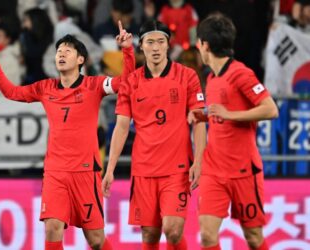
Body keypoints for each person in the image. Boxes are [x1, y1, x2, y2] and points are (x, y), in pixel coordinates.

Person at [0, 21, 135, 250]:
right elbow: (12, 92)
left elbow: (126, 83)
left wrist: (127, 50)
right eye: (58, 51)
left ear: (80, 60)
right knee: (52, 228)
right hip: (55, 171)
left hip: (85, 171)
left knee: (95, 240)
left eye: (67, 51)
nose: (61, 54)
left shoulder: (94, 85)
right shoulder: (46, 88)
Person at [102, 20, 206, 250]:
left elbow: (199, 122)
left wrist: (199, 161)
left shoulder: (187, 76)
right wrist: (109, 169)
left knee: (173, 230)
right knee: (149, 234)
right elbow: (121, 126)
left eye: (161, 41)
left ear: (169, 45)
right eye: (150, 42)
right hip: (144, 169)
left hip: (176, 169)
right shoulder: (131, 81)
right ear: (142, 46)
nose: (156, 47)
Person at [189, 13, 279, 250]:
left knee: (253, 237)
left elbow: (271, 109)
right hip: (214, 170)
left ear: (204, 45)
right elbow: (220, 113)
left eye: (198, 43)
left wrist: (230, 115)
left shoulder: (241, 73)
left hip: (243, 171)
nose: (197, 48)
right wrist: (204, 115)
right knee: (208, 236)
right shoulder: (212, 78)